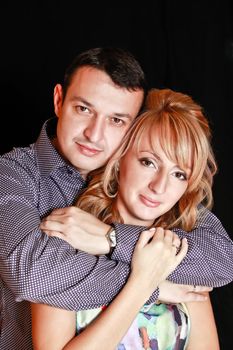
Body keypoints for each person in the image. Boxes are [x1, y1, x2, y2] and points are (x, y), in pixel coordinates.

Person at [0, 47, 232, 350]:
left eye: (116, 120)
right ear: (59, 100)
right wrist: (151, 281)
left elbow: (222, 258)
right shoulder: (14, 175)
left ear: (131, 131)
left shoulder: (159, 202)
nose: (94, 135)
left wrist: (111, 239)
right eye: (84, 109)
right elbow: (33, 277)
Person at [32, 88, 220, 350]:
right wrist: (144, 282)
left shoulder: (180, 253)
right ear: (120, 159)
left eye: (179, 174)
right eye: (148, 162)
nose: (159, 186)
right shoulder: (66, 235)